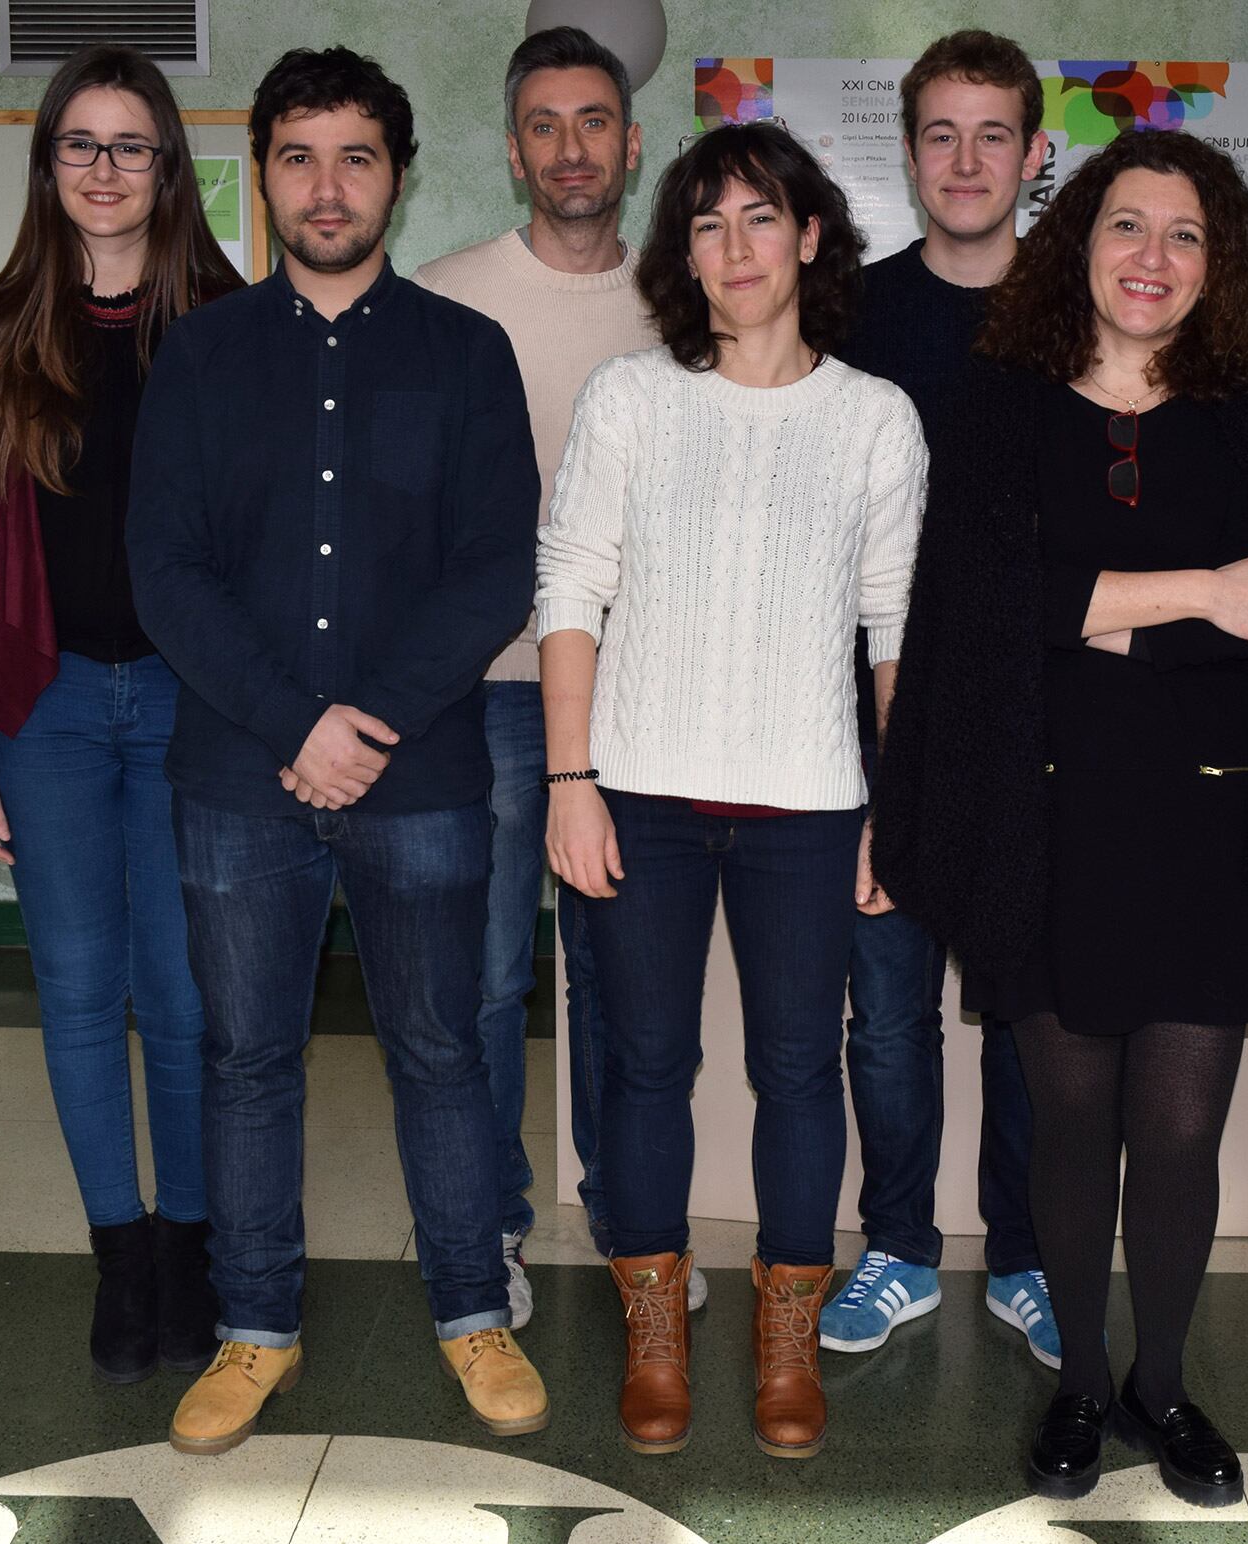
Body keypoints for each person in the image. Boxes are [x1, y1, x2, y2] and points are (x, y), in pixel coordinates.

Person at [874, 131, 1248, 1505]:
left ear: (1221, 261)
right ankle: (1082, 1375)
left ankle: (1163, 1381)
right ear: (1074, 239)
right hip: (1043, 830)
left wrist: (1096, 614)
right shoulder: (998, 402)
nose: (1151, 258)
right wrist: (1188, 591)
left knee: (1180, 1133)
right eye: (1125, 225)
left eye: (1184, 234)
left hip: (1209, 831)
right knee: (1071, 1128)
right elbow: (972, 611)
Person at [126, 46, 544, 1455]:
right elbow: (165, 569)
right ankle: (256, 1330)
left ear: (397, 178)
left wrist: (364, 723)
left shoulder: (463, 353)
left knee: (443, 1047)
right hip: (236, 778)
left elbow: (496, 568)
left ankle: (472, 1307)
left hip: (419, 773)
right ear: (263, 175)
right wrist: (291, 721)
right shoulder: (198, 355)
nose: (326, 184)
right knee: (247, 1058)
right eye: (298, 156)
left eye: (355, 156)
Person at [538, 121, 923, 1460]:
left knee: (797, 1069)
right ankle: (655, 1329)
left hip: (810, 800)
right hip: (635, 786)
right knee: (643, 1065)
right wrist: (569, 777)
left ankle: (782, 1339)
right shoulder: (630, 399)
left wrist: (892, 808)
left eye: (758, 218)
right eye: (705, 225)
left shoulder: (874, 416)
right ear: (681, 255)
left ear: (809, 235)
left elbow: (893, 629)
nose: (733, 248)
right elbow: (569, 589)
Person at [0, 42, 243, 1388]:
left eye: (133, 146)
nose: (107, 171)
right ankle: (117, 1257)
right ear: (48, 165)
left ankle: (189, 1250)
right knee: (75, 990)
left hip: (187, 703)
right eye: (82, 145)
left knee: (180, 995)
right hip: (45, 706)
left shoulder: (231, 321)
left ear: (169, 170)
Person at [412, 26, 702, 1322]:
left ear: (631, 145)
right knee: (484, 977)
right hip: (483, 692)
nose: (570, 147)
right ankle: (489, 1229)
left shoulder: (686, 304)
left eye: (594, 122)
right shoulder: (442, 298)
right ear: (512, 144)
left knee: (623, 977)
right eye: (545, 123)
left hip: (636, 705)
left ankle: (632, 1218)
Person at [817, 28, 1057, 1370]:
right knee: (889, 1004)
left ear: (1034, 154)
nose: (963, 161)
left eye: (990, 135)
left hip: (1033, 718)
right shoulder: (851, 310)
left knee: (1024, 1003)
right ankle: (898, 1245)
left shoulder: (1083, 311)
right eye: (937, 134)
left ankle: (1025, 1252)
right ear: (906, 152)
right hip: (873, 718)